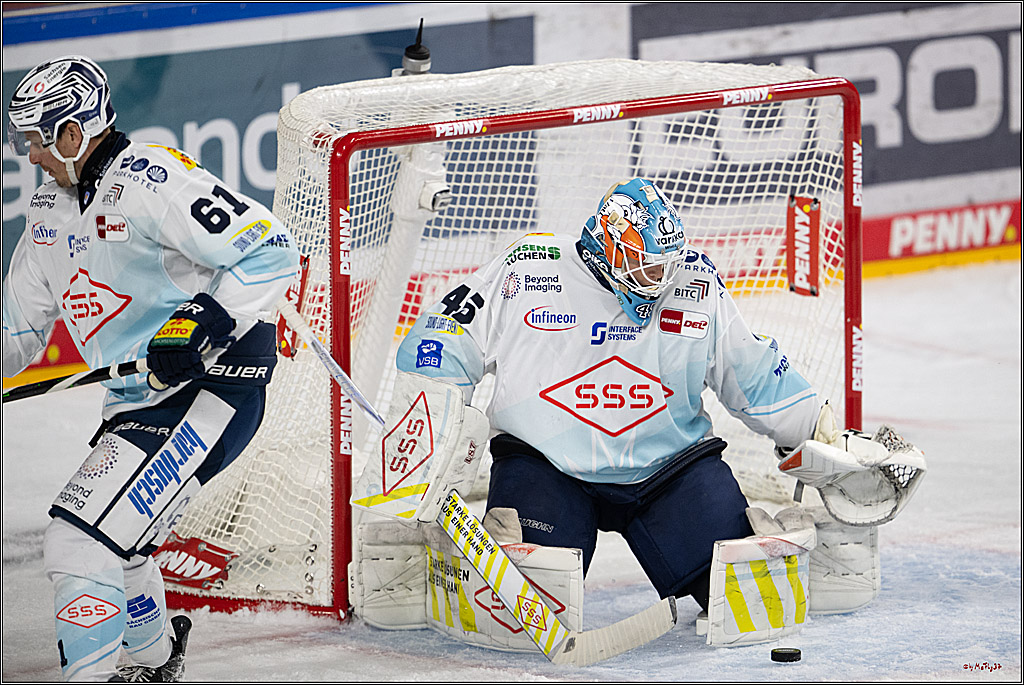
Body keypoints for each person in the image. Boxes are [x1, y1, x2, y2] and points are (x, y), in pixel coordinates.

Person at [391, 177, 836, 612]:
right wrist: (437, 413)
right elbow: (443, 335)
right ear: (609, 246)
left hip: (669, 472)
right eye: (647, 264)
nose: (660, 278)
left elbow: (752, 369)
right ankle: (416, 560)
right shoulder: (528, 266)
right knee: (521, 597)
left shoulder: (694, 281)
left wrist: (817, 427)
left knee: (746, 595)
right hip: (547, 469)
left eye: (666, 263)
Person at [3, 55, 299, 681]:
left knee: (80, 540)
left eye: (37, 140)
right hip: (137, 400)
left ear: (72, 131)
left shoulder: (152, 179)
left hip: (213, 385)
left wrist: (201, 320)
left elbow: (271, 248)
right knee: (124, 544)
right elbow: (18, 332)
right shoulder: (49, 213)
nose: (31, 156)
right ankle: (155, 660)